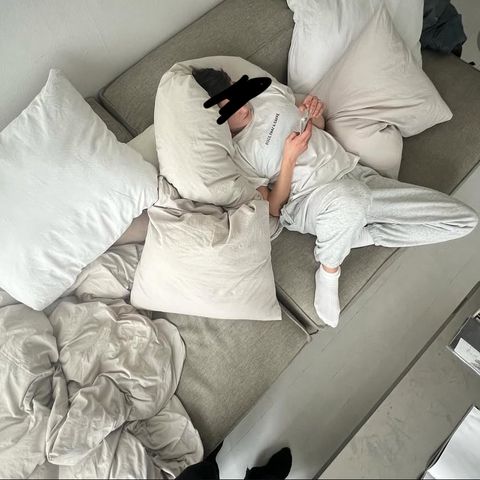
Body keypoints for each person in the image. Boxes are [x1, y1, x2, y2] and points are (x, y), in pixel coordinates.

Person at [191, 67, 479, 327]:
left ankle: (361, 233)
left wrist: (315, 115)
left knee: (464, 220)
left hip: (353, 173)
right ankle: (329, 268)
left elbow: (318, 130)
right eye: (229, 109)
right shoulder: (237, 155)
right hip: (308, 200)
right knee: (351, 200)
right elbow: (274, 207)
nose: (241, 106)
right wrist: (289, 158)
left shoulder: (268, 95)